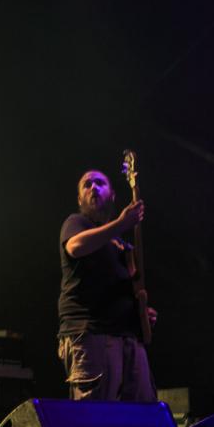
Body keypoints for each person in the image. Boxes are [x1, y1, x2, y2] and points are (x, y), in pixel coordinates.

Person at [57, 169, 156, 401]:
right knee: (96, 414)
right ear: (79, 199)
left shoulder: (121, 245)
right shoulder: (76, 223)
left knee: (142, 412)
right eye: (87, 184)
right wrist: (121, 223)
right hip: (90, 332)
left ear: (112, 195)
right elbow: (75, 247)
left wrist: (141, 313)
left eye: (100, 183)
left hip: (126, 336)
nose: (93, 187)